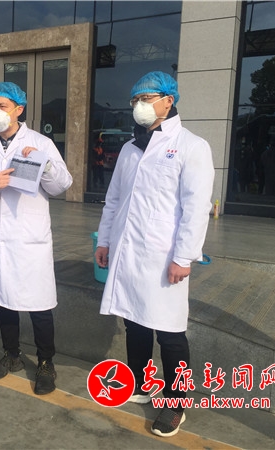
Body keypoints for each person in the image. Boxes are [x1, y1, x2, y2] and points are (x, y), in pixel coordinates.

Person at [94, 71, 214, 437]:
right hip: (128, 251)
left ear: (168, 101)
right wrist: (104, 241)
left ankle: (176, 404)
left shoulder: (191, 146)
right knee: (134, 321)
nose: (140, 106)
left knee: (170, 332)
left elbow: (196, 207)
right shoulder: (130, 149)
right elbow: (114, 199)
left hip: (164, 257)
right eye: (136, 100)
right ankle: (141, 383)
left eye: (147, 99)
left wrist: (184, 257)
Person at [0, 82, 73, 395]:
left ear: (19, 110)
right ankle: (11, 354)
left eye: (3, 106)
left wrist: (44, 163)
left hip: (28, 237)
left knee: (39, 304)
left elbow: (61, 184)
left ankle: (46, 362)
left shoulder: (40, 142)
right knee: (4, 302)